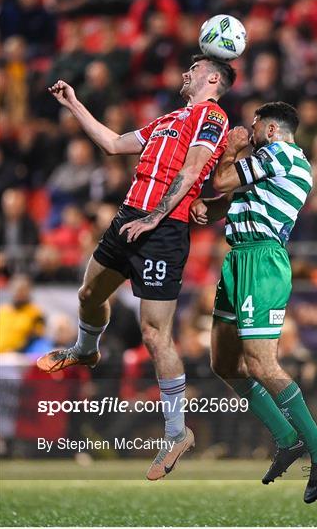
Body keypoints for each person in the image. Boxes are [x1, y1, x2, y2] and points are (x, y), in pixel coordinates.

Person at [36, 55, 236, 480]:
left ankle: (177, 432)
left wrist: (154, 217)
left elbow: (192, 170)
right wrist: (74, 104)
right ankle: (86, 350)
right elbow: (111, 143)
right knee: (89, 295)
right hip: (129, 217)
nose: (186, 71)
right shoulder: (167, 119)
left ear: (213, 78)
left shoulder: (212, 116)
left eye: (195, 68)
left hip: (163, 231)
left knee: (154, 333)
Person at [190, 102, 317, 503]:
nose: (248, 131)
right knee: (224, 362)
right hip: (239, 257)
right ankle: (287, 438)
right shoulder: (274, 161)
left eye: (254, 126)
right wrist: (214, 208)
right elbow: (237, 196)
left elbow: (223, 179)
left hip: (263, 260)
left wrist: (231, 148)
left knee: (261, 362)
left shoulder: (279, 153)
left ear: (272, 130)